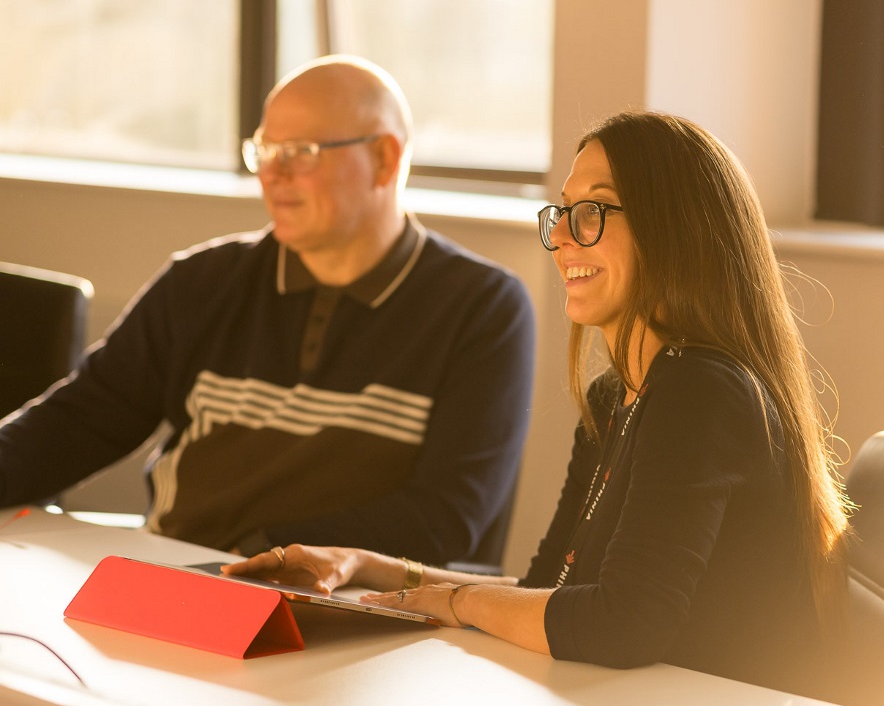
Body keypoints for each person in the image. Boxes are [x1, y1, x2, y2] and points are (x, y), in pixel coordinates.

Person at [226, 110, 853, 700]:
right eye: (564, 214)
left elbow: (624, 622)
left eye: (594, 212)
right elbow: (550, 589)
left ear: (678, 230)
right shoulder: (621, 394)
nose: (564, 241)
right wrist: (368, 567)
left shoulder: (701, 390)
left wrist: (452, 602)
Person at [0, 55, 536, 566]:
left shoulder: (483, 308)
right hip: (175, 581)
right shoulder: (200, 282)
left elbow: (446, 516)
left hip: (350, 613)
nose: (272, 175)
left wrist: (267, 558)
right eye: (265, 150)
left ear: (384, 159)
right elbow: (78, 421)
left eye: (300, 152)